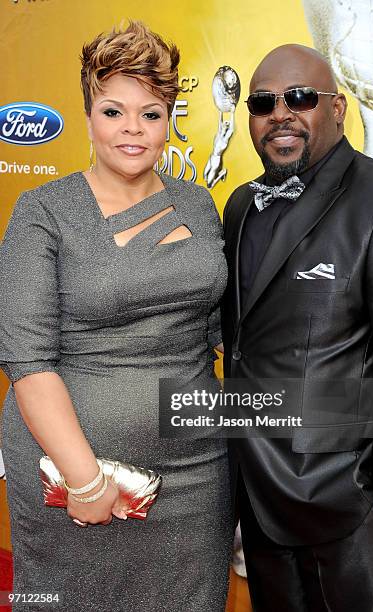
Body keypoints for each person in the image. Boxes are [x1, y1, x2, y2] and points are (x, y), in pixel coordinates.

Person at [0, 21, 232, 611]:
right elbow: (27, 362)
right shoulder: (42, 212)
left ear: (169, 118)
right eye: (113, 111)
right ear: (87, 116)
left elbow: (215, 331)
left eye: (151, 114)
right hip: (74, 469)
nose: (133, 130)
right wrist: (86, 480)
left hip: (196, 468)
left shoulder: (198, 202)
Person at [221, 44, 373, 612]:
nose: (281, 113)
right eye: (262, 102)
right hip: (253, 493)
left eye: (300, 98)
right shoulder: (239, 207)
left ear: (338, 109)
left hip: (343, 499)